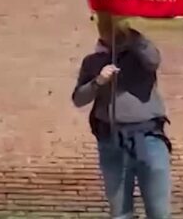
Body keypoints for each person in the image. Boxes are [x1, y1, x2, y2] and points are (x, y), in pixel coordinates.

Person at [72, 12, 171, 219]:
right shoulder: (93, 61)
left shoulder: (141, 55)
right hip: (112, 140)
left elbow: (154, 60)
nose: (108, 30)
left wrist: (130, 35)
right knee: (120, 213)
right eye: (104, 24)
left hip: (148, 137)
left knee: (159, 212)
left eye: (112, 24)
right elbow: (79, 99)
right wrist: (98, 81)